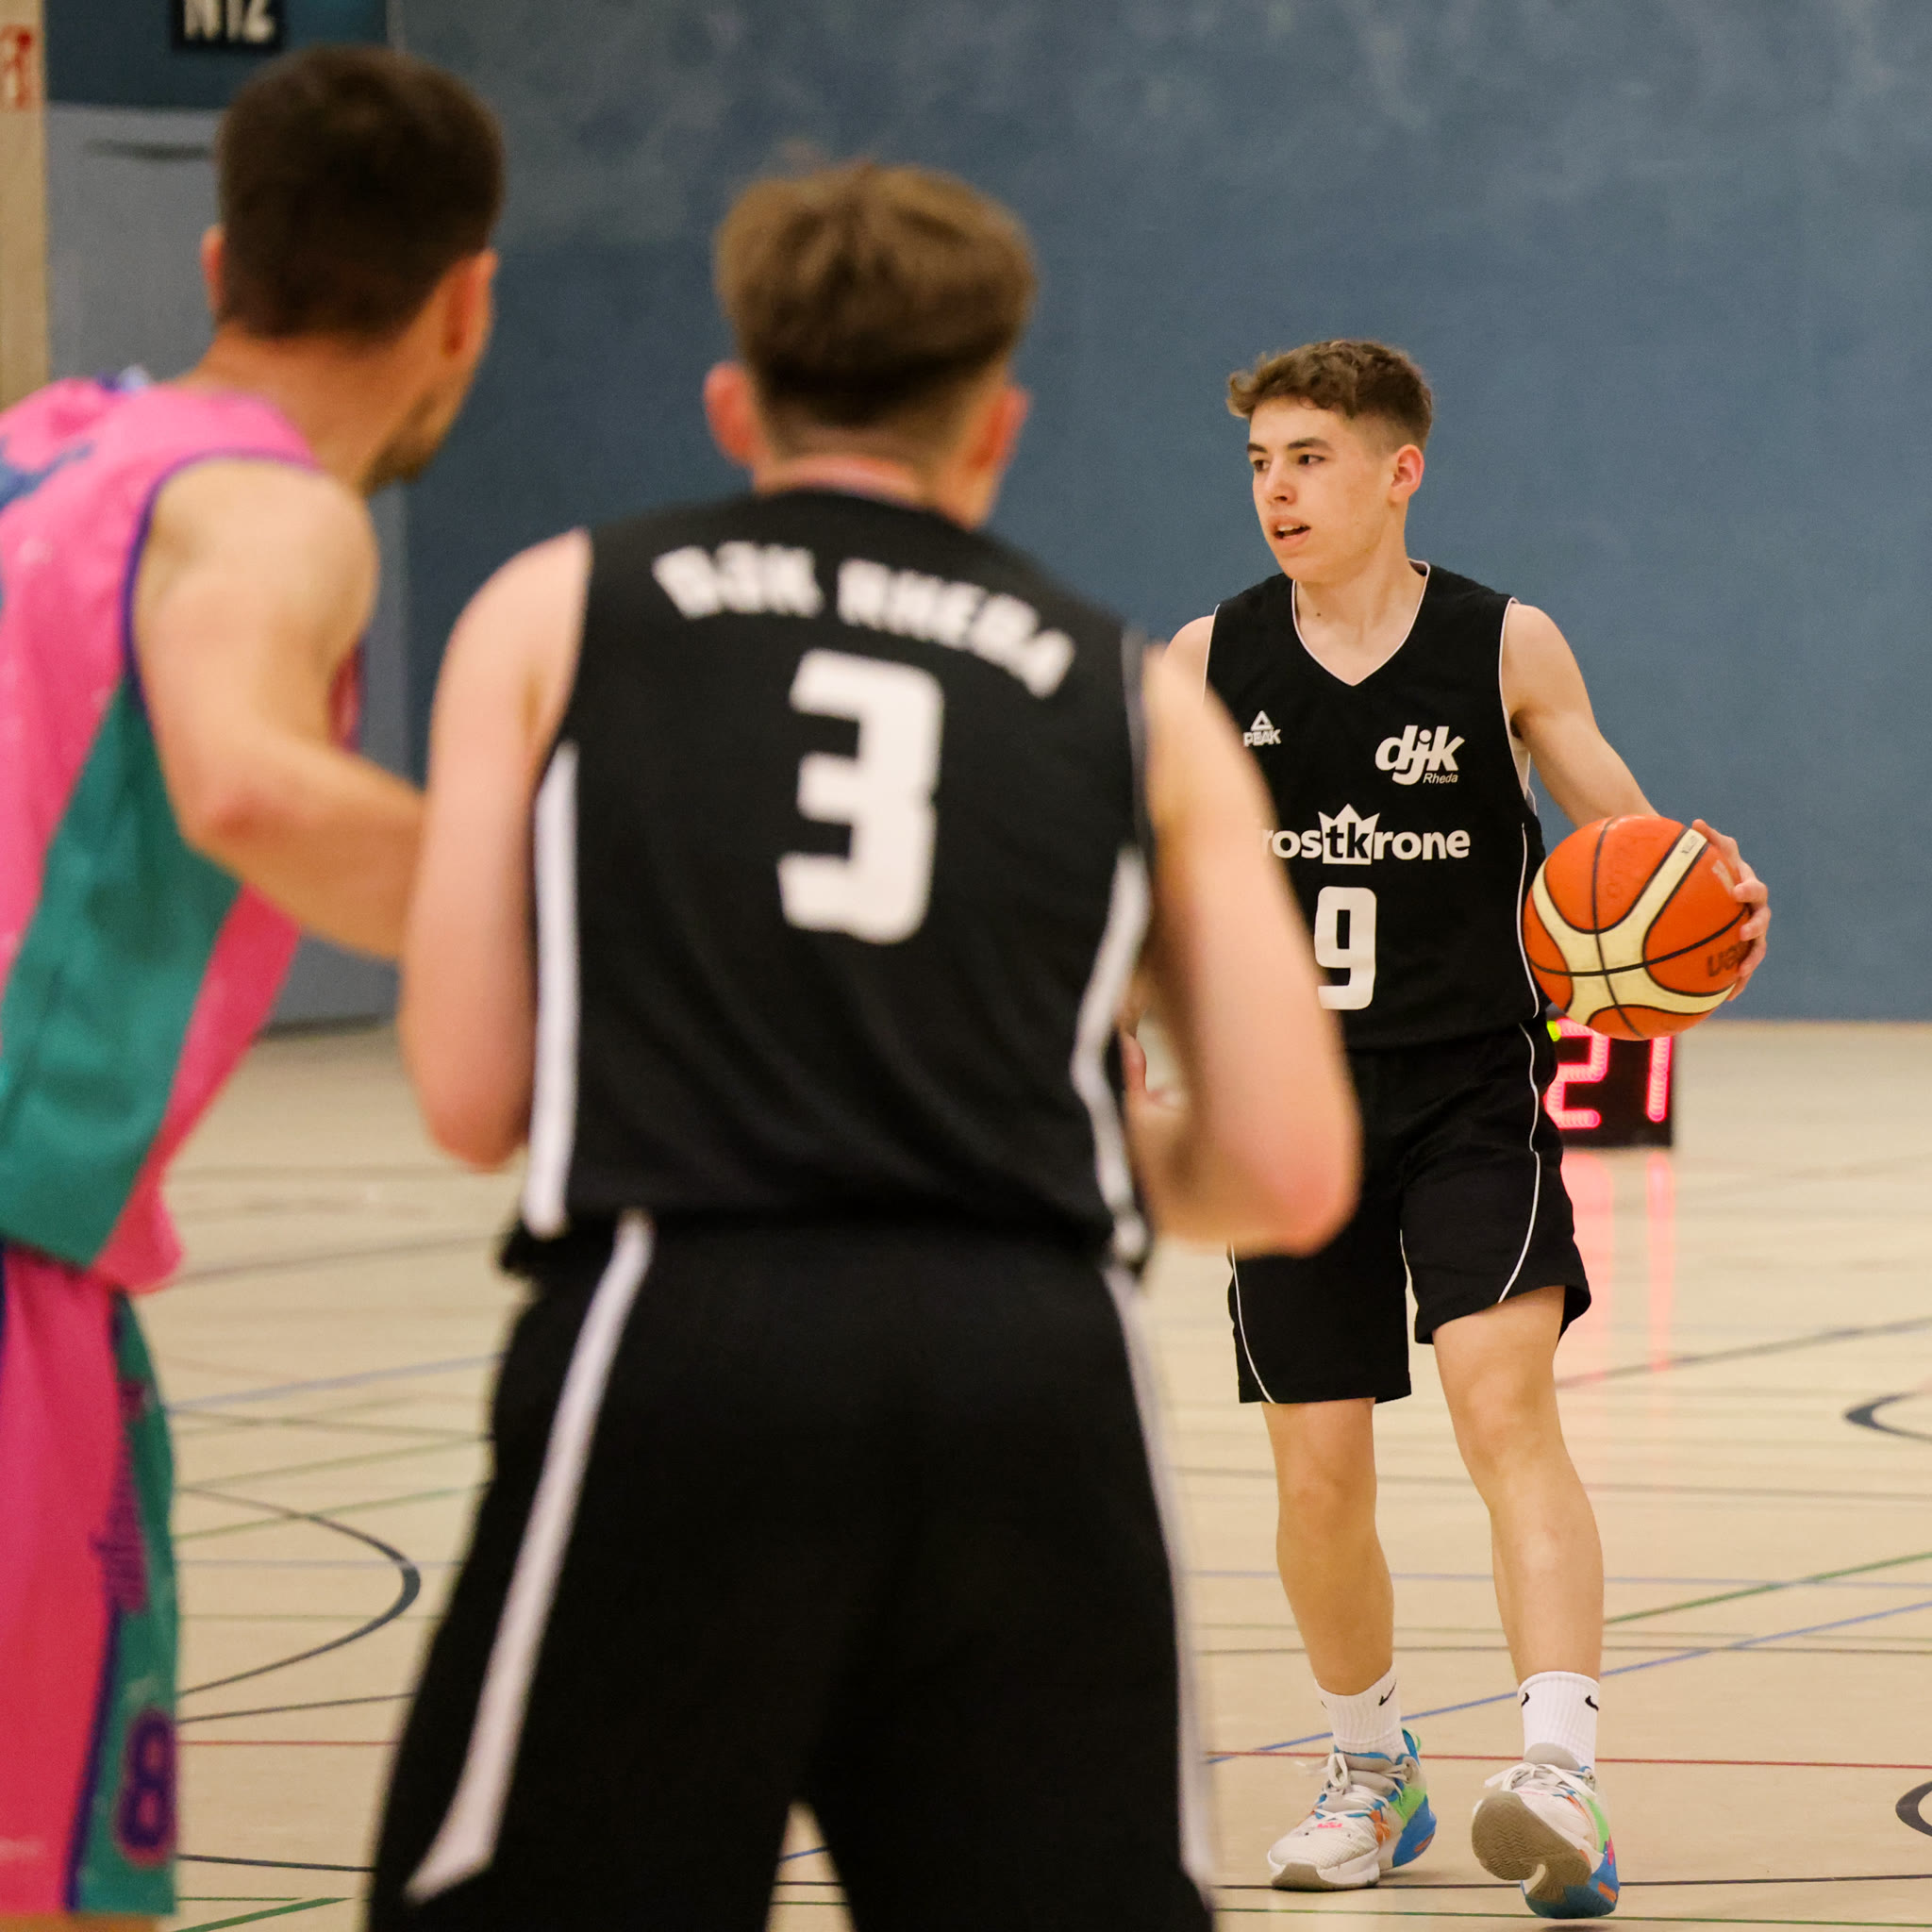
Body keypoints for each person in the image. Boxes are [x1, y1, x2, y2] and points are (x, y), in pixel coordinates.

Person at [366, 161, 1358, 1932]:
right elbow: (1288, 1172)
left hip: (686, 1333)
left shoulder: (556, 608)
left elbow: (471, 1091)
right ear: (998, 424)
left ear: (735, 404)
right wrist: (1018, 1137)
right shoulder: (1134, 688)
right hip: (1031, 1358)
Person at [1164, 340, 1770, 1918]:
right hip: (1287, 1104)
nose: (1277, 490)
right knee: (1318, 1472)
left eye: (1308, 458)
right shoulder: (1210, 657)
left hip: (1470, 1089)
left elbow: (1630, 841)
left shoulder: (1503, 642)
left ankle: (1561, 1772)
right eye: (1259, 463)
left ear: (1398, 471)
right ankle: (1373, 1770)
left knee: (1504, 1405)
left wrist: (1709, 901)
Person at [0, 47, 501, 1928]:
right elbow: (249, 782)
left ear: (221, 263)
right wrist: (607, 920)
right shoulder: (269, 512)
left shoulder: (44, 443)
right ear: (464, 305)